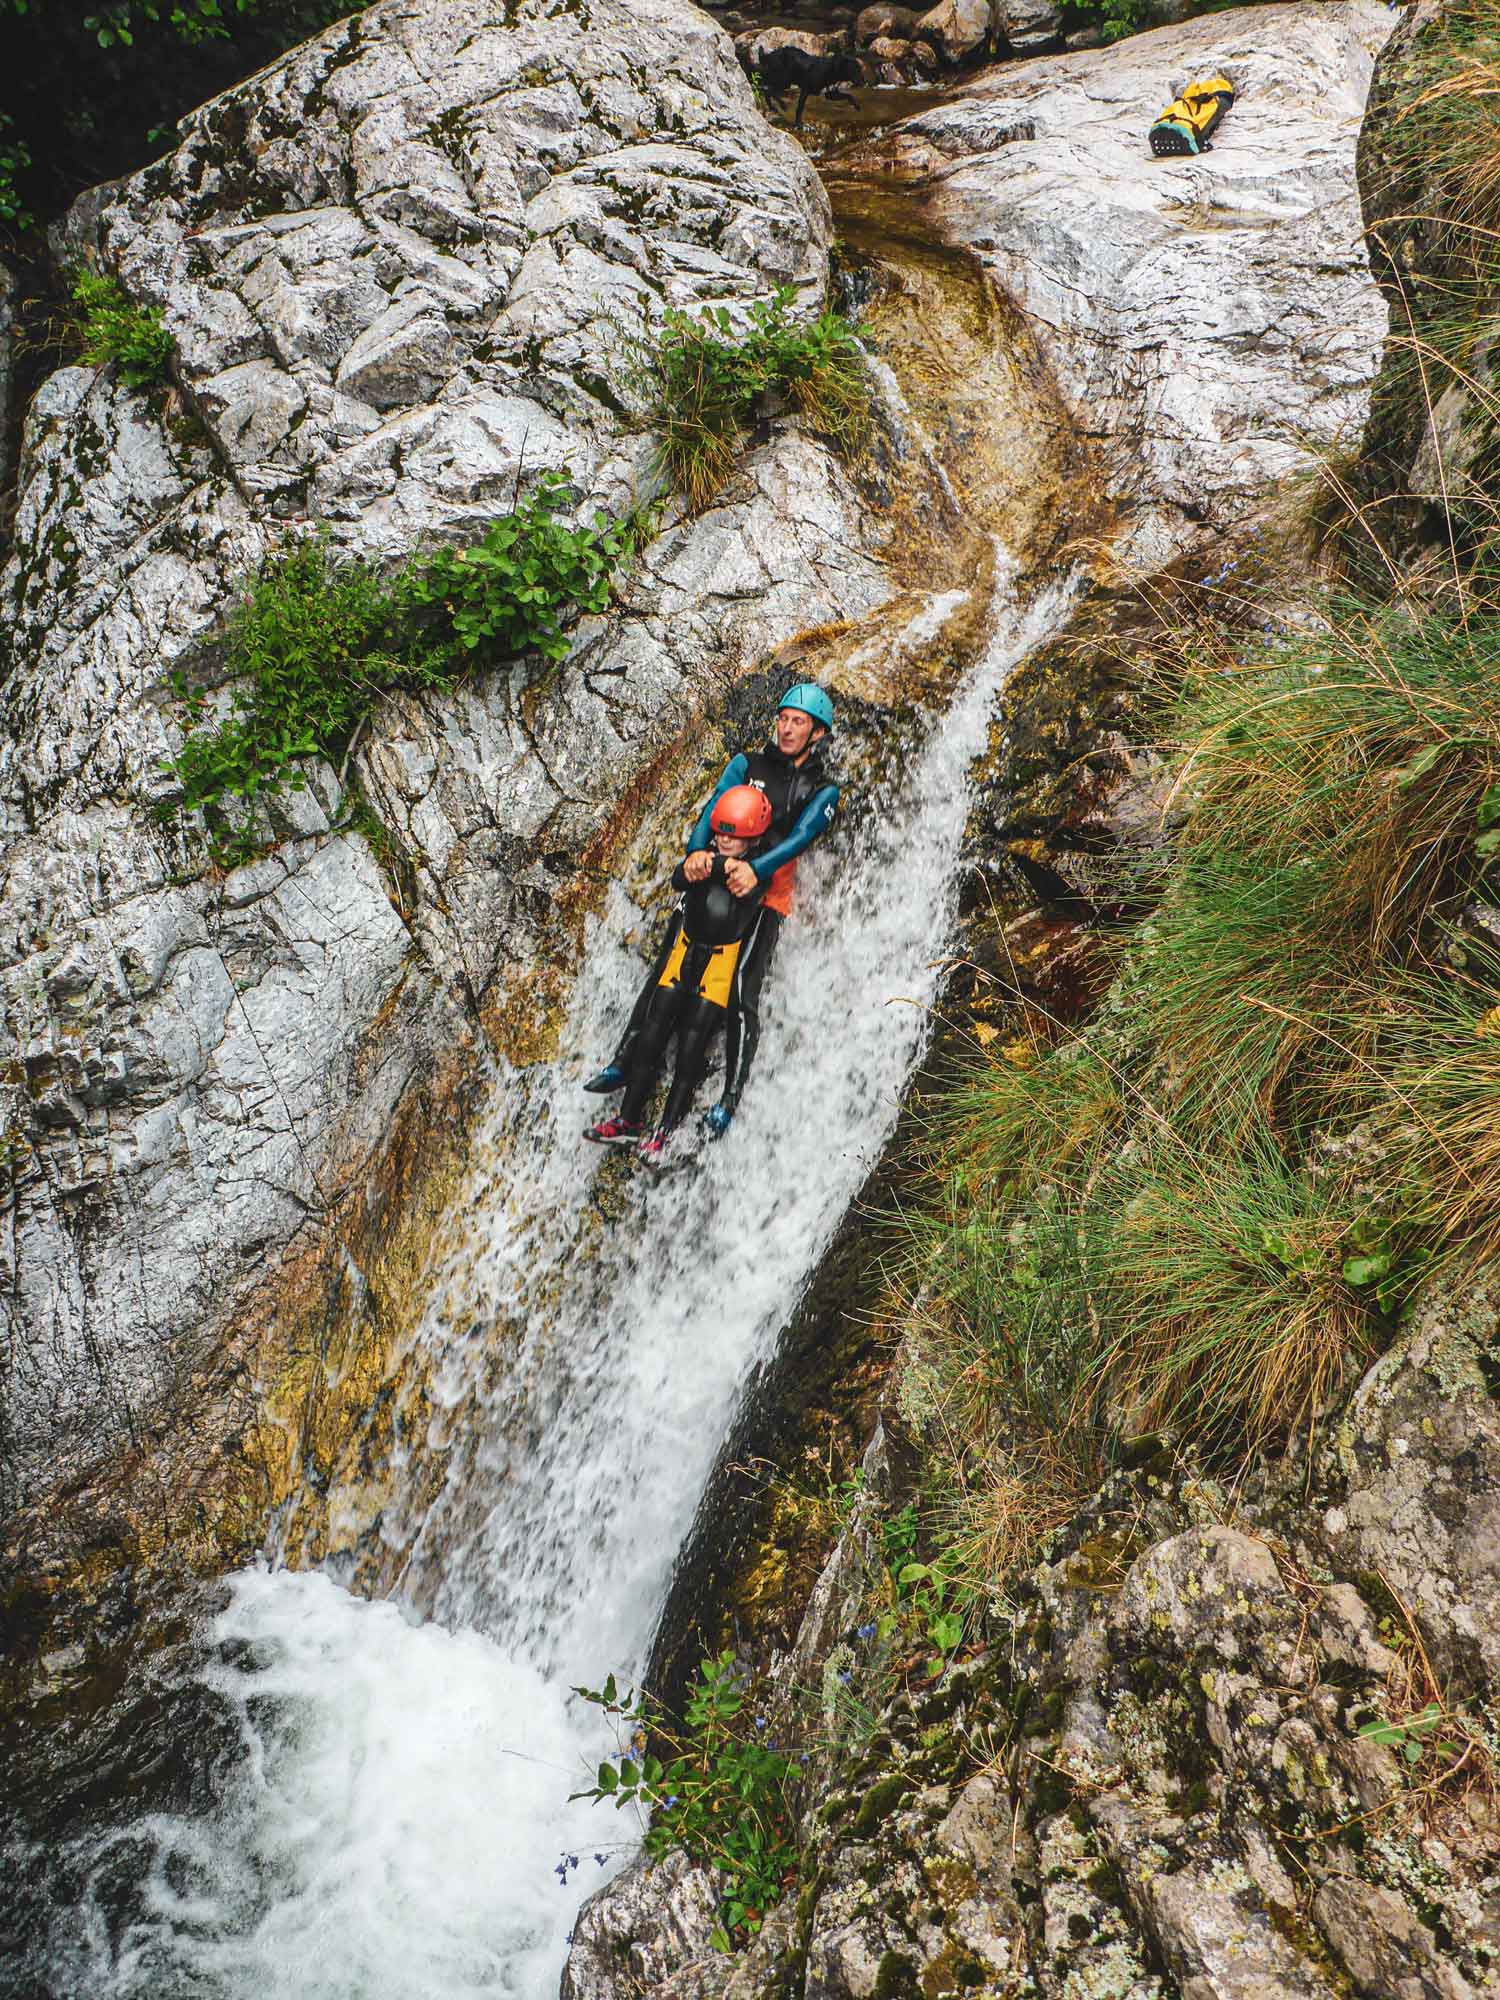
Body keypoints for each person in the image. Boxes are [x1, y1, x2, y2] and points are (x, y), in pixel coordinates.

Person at [583, 683, 840, 1136]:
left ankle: (729, 1097)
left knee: (742, 993)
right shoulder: (747, 764)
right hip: (712, 884)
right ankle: (625, 1060)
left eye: (798, 721)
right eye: (783, 717)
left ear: (817, 733)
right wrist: (695, 855)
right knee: (664, 965)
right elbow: (710, 812)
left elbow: (801, 837)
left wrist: (756, 869)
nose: (787, 727)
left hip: (764, 897)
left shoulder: (822, 790)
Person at [585, 785, 774, 1161]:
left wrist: (714, 865)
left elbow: (749, 888)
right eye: (720, 831)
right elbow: (677, 880)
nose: (722, 839)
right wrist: (698, 863)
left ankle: (666, 1131)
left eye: (732, 835)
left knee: (691, 1048)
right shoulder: (706, 857)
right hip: (685, 950)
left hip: (719, 964)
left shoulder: (757, 872)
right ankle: (628, 1120)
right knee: (651, 1034)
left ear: (752, 838)